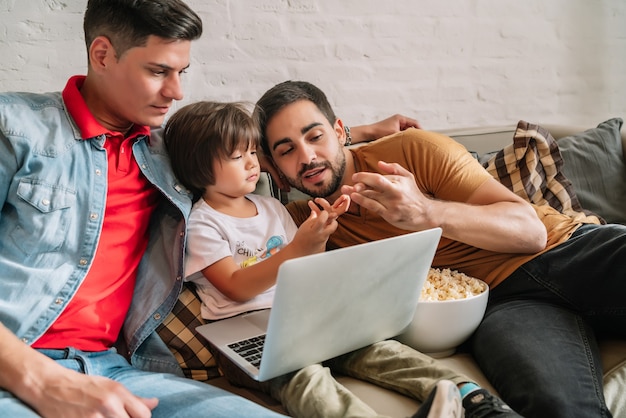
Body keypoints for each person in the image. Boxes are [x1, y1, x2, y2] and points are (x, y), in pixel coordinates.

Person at [254, 80, 626, 418]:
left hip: (567, 251)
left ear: (339, 132)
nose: (306, 157)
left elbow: (529, 233)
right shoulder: (302, 224)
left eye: (315, 136)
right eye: (287, 151)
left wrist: (425, 211)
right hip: (501, 307)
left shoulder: (412, 151)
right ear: (272, 166)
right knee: (559, 409)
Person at [0, 1, 287, 417]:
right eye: (158, 71)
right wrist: (42, 381)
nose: (177, 91)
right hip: (16, 366)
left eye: (180, 72)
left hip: (120, 371)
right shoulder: (14, 126)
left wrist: (356, 134)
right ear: (102, 55)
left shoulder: (167, 152)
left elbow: (260, 150)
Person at [163, 100, 521, 418]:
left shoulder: (271, 207)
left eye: (253, 153)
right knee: (306, 379)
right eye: (237, 157)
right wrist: (296, 249)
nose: (252, 164)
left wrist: (319, 238)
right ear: (199, 170)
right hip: (246, 335)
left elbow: (306, 269)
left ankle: (471, 398)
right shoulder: (201, 223)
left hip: (304, 318)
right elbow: (237, 287)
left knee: (381, 350)